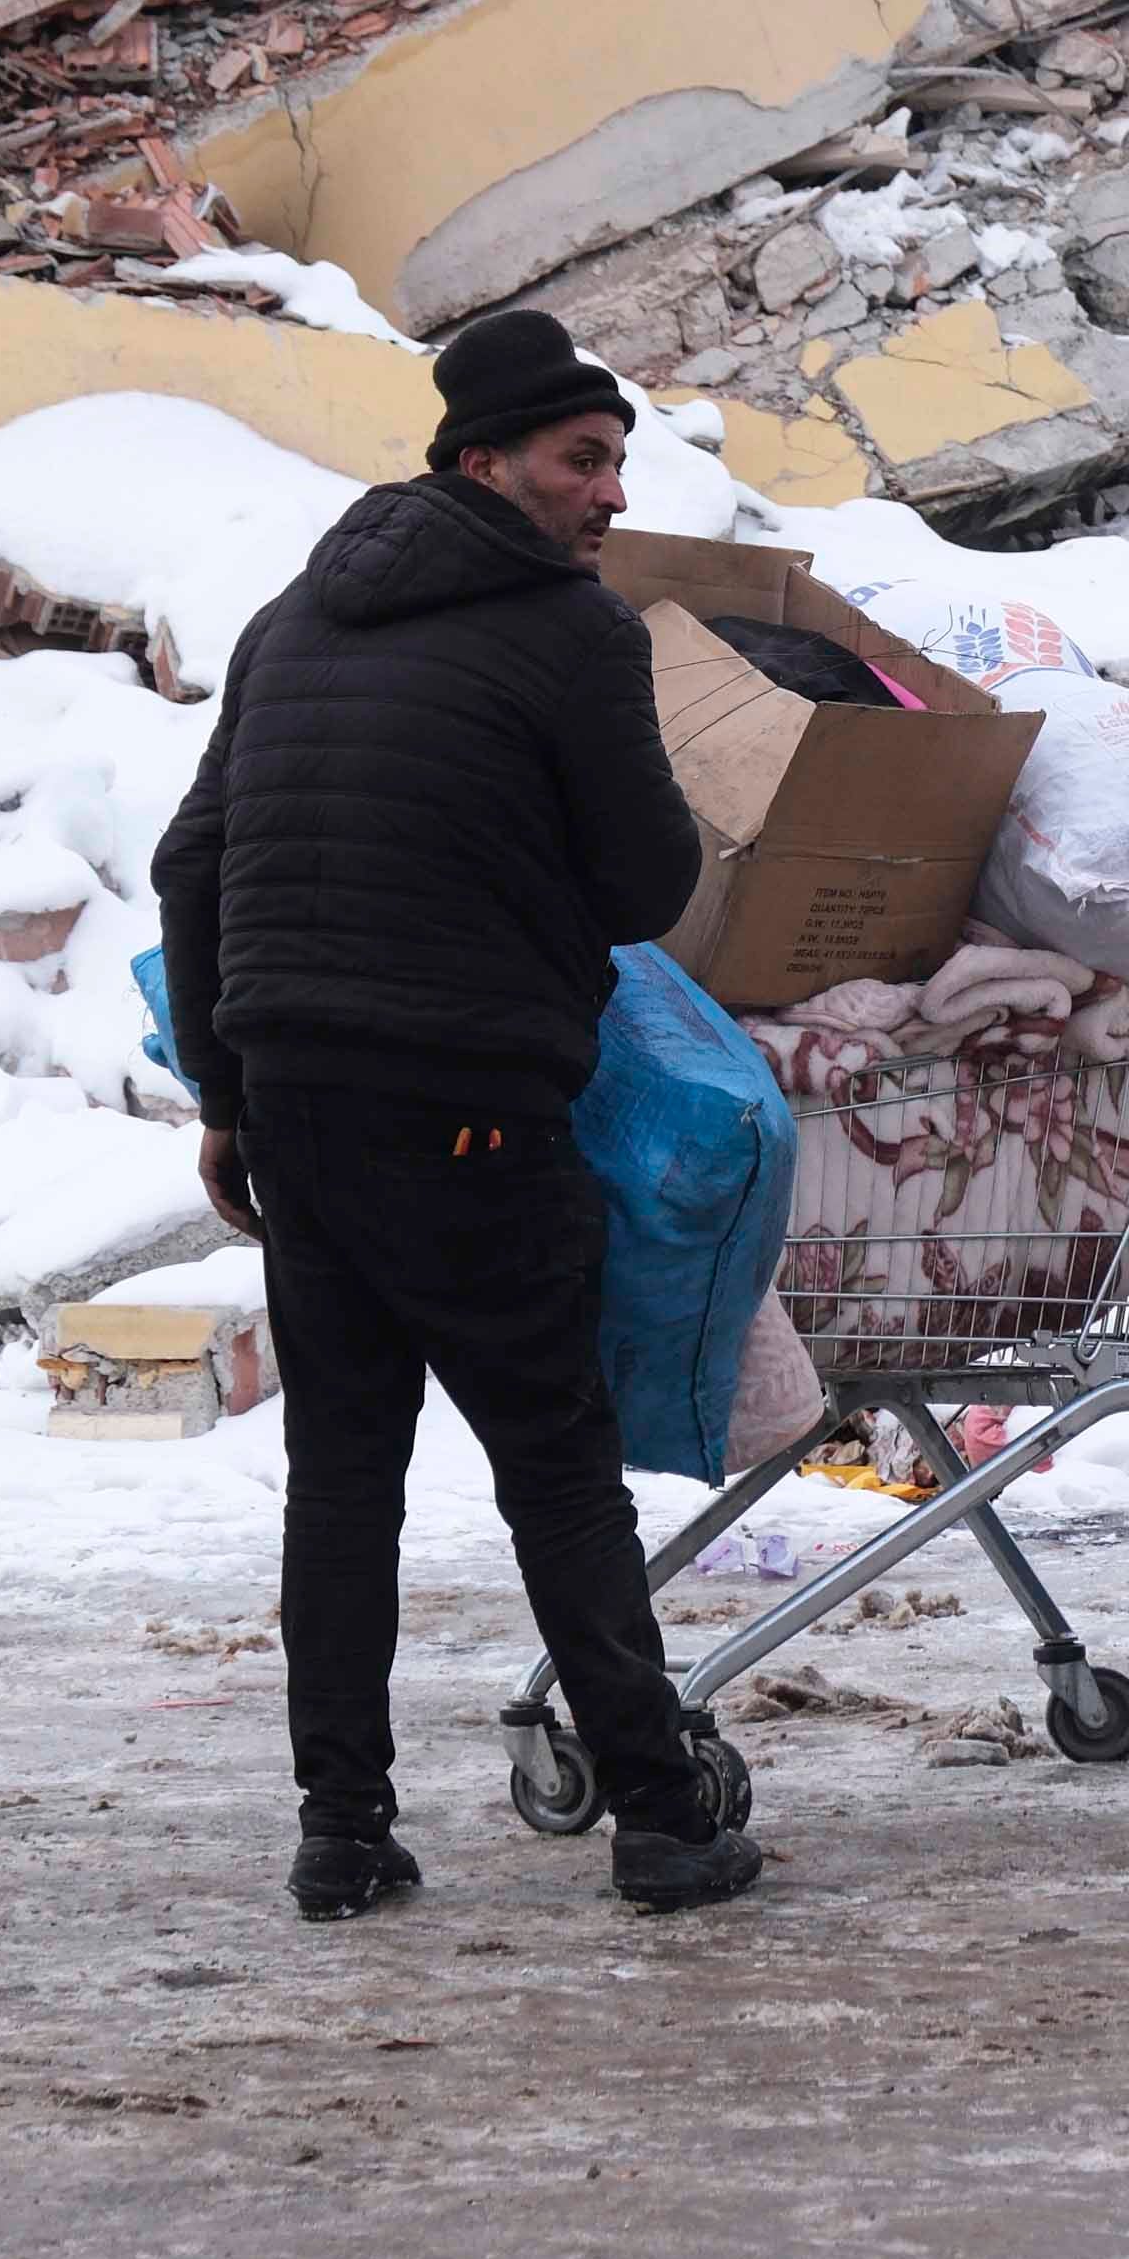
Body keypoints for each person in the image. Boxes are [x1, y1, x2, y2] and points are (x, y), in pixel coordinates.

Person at [153, 309, 763, 1920]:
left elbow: (189, 862)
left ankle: (342, 1831)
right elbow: (645, 879)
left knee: (345, 1478)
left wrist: (226, 1095)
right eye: (582, 462)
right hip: (473, 1112)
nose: (611, 494)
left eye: (620, 461)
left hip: (297, 1107)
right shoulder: (572, 632)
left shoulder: (293, 621)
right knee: (556, 1467)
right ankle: (658, 1815)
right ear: (484, 463)